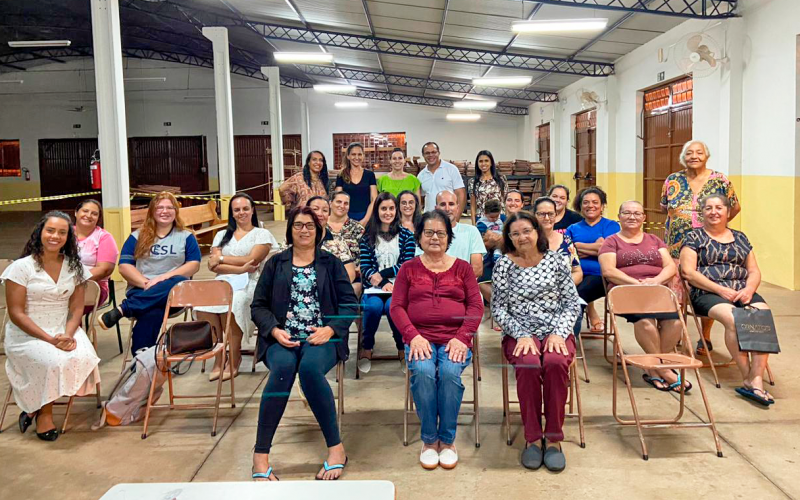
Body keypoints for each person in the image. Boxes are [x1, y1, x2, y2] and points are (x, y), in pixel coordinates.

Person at [251, 207, 358, 481]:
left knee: (310, 370)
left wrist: (330, 328)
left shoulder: (330, 263)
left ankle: (336, 449)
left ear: (318, 230)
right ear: (290, 230)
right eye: (298, 225)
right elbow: (259, 306)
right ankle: (260, 457)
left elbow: (349, 304)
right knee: (283, 370)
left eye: (310, 225)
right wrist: (274, 331)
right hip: (282, 338)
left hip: (321, 337)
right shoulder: (276, 263)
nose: (304, 230)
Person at [390, 209, 483, 470]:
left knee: (451, 373)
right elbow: (396, 307)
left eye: (441, 233)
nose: (434, 238)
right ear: (419, 237)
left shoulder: (463, 268)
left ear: (449, 237)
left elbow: (476, 306)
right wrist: (413, 336)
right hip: (420, 337)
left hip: (456, 338)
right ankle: (430, 440)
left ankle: (448, 440)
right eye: (428, 232)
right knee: (422, 371)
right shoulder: (408, 269)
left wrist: (463, 338)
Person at [491, 211, 581, 472]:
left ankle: (553, 438)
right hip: (519, 333)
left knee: (554, 363)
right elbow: (499, 309)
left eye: (526, 231)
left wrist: (558, 332)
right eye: (515, 233)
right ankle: (532, 437)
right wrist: (521, 334)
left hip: (557, 331)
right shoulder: (504, 265)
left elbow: (571, 304)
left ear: (536, 232)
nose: (522, 237)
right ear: (509, 238)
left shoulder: (555, 261)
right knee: (529, 365)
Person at [2, 211, 101, 441]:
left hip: (63, 327)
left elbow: (77, 309)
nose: (55, 236)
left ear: (68, 237)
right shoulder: (21, 267)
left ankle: (34, 406)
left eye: (62, 232)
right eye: (50, 230)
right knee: (54, 361)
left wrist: (67, 333)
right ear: (40, 233)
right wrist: (50, 340)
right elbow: (16, 313)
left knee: (84, 357)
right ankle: (44, 414)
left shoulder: (74, 267)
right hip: (27, 332)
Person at [680, 194, 774, 406]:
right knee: (734, 318)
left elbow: (754, 270)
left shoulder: (740, 237)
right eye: (708, 208)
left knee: (762, 316)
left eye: (719, 207)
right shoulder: (694, 237)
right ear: (701, 213)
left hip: (741, 290)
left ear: (728, 211)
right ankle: (746, 375)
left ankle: (756, 378)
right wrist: (720, 290)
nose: (714, 212)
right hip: (706, 291)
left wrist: (750, 289)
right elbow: (688, 272)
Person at [598, 201, 688, 392]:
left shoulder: (655, 240)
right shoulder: (611, 241)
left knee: (676, 323)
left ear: (644, 218)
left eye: (637, 213)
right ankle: (665, 371)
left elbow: (670, 266)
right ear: (619, 216)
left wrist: (655, 281)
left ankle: (654, 367)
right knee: (646, 323)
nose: (632, 217)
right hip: (626, 290)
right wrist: (635, 283)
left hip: (655, 290)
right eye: (627, 213)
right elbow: (608, 271)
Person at [661, 140, 740, 356]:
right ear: (682, 157)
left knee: (706, 290)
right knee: (675, 292)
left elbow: (734, 207)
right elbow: (664, 208)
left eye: (699, 152)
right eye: (689, 153)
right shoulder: (672, 180)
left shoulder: (720, 180)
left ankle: (704, 336)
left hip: (709, 249)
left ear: (707, 156)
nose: (694, 156)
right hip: (677, 247)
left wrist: (717, 227)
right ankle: (675, 332)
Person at [99, 192, 201, 353]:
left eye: (169, 207)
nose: (165, 211)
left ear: (176, 211)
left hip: (175, 293)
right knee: (152, 310)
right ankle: (142, 360)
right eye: (160, 207)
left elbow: (194, 265)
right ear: (152, 211)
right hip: (141, 289)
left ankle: (125, 309)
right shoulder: (136, 236)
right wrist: (146, 284)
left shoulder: (186, 236)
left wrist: (162, 278)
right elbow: (125, 266)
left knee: (179, 280)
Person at [194, 194, 277, 382]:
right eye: (237, 210)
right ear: (232, 213)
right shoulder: (222, 235)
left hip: (252, 281)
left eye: (245, 208)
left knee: (236, 301)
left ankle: (234, 357)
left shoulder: (261, 234)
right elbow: (212, 266)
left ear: (252, 210)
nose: (241, 213)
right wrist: (239, 267)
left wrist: (223, 258)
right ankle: (218, 357)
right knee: (204, 303)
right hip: (224, 281)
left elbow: (253, 260)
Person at [357, 193, 416, 373]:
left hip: (399, 289)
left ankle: (401, 347)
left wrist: (381, 275)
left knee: (393, 307)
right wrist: (382, 282)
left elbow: (406, 264)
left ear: (396, 210)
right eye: (383, 208)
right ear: (377, 211)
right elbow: (366, 266)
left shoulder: (406, 235)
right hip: (372, 289)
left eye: (391, 208)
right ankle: (367, 347)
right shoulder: (367, 236)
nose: (388, 212)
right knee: (373, 307)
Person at [565, 187, 620, 333]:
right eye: (586, 202)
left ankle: (569, 340)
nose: (590, 206)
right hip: (575, 273)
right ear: (580, 206)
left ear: (602, 206)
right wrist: (596, 247)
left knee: (575, 298)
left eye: (595, 202)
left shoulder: (611, 226)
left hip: (600, 276)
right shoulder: (572, 228)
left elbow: (609, 250)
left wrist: (578, 246)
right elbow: (568, 253)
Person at [534, 197, 584, 337]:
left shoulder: (566, 240)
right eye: (541, 214)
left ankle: (566, 351)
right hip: (534, 296)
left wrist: (562, 287)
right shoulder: (527, 240)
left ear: (556, 216)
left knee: (575, 312)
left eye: (550, 214)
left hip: (563, 294)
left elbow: (577, 271)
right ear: (534, 216)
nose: (547, 218)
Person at [73, 199, 119, 315]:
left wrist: (73, 281)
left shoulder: (104, 237)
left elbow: (104, 270)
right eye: (85, 211)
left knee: (67, 307)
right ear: (76, 213)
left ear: (98, 218)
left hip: (92, 286)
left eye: (94, 214)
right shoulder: (64, 233)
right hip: (60, 285)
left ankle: (71, 332)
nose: (89, 216)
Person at [429, 190, 486, 279]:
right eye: (443, 204)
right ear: (436, 208)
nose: (447, 209)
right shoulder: (427, 234)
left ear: (457, 208)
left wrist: (453, 285)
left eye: (451, 204)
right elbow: (423, 267)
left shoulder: (471, 231)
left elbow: (477, 269)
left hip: (463, 288)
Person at [307, 197, 359, 290]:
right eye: (315, 209)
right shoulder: (295, 237)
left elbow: (350, 272)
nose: (320, 214)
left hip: (331, 290)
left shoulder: (337, 240)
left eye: (325, 210)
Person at [417, 142, 466, 214]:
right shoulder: (421, 175)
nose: (431, 155)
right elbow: (421, 199)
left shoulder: (451, 169)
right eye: (427, 153)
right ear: (423, 155)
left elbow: (461, 194)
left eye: (434, 152)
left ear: (439, 153)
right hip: (430, 219)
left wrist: (456, 218)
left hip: (448, 216)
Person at [335, 142, 377, 225]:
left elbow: (374, 199)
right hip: (345, 217)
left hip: (367, 217)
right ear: (348, 156)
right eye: (353, 154)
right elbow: (338, 199)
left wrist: (365, 220)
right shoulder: (341, 175)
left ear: (363, 156)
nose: (357, 157)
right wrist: (346, 219)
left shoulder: (370, 175)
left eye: (359, 154)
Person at [475, 199, 506, 304]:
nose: (494, 220)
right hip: (488, 250)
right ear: (485, 213)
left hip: (501, 245)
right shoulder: (481, 223)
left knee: (499, 250)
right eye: (491, 217)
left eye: (496, 217)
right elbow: (482, 238)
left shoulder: (502, 218)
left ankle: (498, 257)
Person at [326, 191, 365, 268]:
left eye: (346, 203)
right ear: (330, 203)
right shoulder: (321, 226)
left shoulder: (357, 228)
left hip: (352, 274)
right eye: (339, 202)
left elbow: (365, 254)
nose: (342, 206)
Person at [469, 150, 506, 223]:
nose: (483, 164)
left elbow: (505, 200)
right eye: (481, 161)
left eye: (486, 161)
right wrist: (474, 225)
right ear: (477, 163)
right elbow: (473, 206)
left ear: (491, 162)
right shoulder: (473, 182)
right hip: (482, 218)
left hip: (499, 218)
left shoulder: (501, 179)